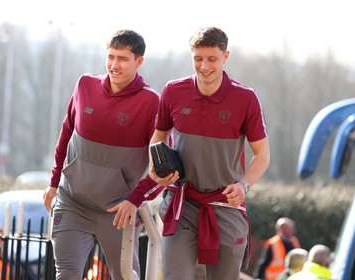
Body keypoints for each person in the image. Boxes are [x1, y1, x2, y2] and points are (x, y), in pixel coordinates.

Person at [111, 26, 270, 280]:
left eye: (211, 59)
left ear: (225, 57)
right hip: (182, 204)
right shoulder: (174, 91)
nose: (204, 66)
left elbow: (262, 154)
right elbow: (159, 136)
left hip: (226, 205)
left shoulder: (246, 98)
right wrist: (157, 164)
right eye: (198, 58)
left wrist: (244, 185)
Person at [43, 29, 160, 279]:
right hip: (72, 202)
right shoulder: (85, 84)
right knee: (66, 274)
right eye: (110, 57)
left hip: (118, 212)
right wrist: (54, 182)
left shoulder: (151, 103)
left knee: (126, 276)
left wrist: (136, 199)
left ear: (139, 62)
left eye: (122, 59)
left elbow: (162, 168)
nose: (114, 65)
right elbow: (66, 134)